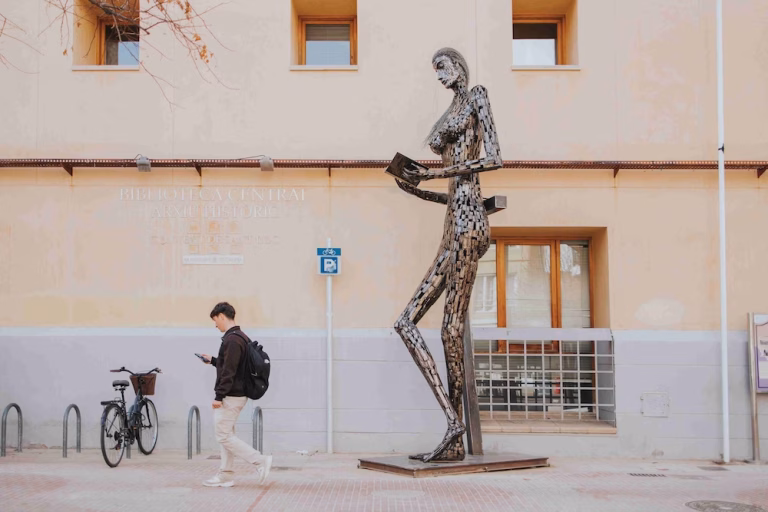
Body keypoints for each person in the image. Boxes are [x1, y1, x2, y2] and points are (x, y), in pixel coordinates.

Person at [393, 48, 503, 463]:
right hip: (454, 221)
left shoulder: (477, 96)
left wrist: (433, 172)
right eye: (434, 70)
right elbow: (455, 194)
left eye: (443, 66)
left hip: (470, 224)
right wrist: (416, 187)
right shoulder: (454, 106)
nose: (439, 75)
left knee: (449, 329)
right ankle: (454, 431)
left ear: (459, 65)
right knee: (409, 324)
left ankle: (454, 431)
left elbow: (493, 158)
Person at [199, 302, 272, 487]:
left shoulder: (232, 340)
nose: (216, 325)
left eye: (216, 321)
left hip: (231, 395)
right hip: (237, 393)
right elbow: (234, 366)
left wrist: (218, 396)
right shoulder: (241, 337)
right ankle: (226, 475)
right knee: (227, 433)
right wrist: (214, 361)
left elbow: (229, 372)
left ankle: (259, 460)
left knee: (223, 435)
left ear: (222, 316)